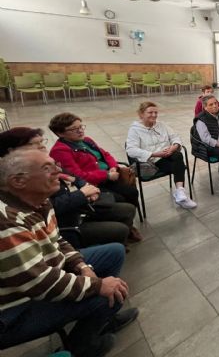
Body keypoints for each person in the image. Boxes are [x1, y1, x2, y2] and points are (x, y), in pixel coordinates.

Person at [0, 149, 138, 357]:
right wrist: (97, 285)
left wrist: (82, 266)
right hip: (14, 310)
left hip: (46, 270)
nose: (58, 170)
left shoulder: (38, 200)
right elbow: (39, 283)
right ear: (19, 181)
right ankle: (82, 346)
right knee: (109, 293)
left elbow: (58, 240)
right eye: (47, 168)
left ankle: (102, 320)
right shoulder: (7, 223)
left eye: (55, 164)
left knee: (114, 252)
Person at [0, 127, 140, 248]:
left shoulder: (47, 160)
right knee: (119, 224)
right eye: (34, 144)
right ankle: (106, 248)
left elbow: (72, 175)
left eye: (42, 142)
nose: (42, 147)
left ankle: (120, 239)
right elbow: (48, 206)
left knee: (126, 206)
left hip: (81, 204)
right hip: (68, 222)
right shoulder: (22, 177)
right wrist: (83, 193)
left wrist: (88, 187)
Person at [48, 113, 139, 208]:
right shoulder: (60, 151)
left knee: (132, 192)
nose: (80, 131)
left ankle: (129, 216)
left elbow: (106, 155)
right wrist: (106, 175)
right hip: (93, 184)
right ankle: (124, 216)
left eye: (81, 126)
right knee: (120, 199)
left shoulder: (86, 140)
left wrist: (113, 167)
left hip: (109, 177)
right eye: (74, 129)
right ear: (60, 133)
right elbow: (77, 176)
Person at [126, 101, 196, 208]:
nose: (154, 115)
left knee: (177, 155)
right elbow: (131, 150)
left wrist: (174, 146)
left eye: (155, 112)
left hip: (167, 157)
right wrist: (154, 154)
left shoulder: (162, 125)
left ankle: (180, 192)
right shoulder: (134, 130)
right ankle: (180, 193)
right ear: (141, 114)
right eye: (150, 112)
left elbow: (175, 137)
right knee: (178, 163)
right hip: (150, 163)